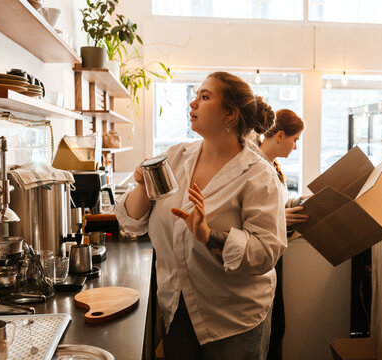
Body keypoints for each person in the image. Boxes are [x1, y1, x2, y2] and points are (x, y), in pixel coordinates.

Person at [115, 71, 288, 360]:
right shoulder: (176, 157)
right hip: (175, 309)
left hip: (232, 320)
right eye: (196, 96)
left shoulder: (259, 176)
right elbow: (131, 222)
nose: (193, 104)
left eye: (205, 97)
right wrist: (143, 185)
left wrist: (210, 236)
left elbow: (267, 252)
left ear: (229, 114)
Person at [255, 109, 308, 360]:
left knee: (278, 326)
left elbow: (274, 205)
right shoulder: (255, 167)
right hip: (261, 260)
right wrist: (277, 217)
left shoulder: (273, 167)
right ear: (279, 135)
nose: (295, 147)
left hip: (276, 258)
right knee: (272, 329)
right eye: (294, 140)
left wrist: (301, 203)